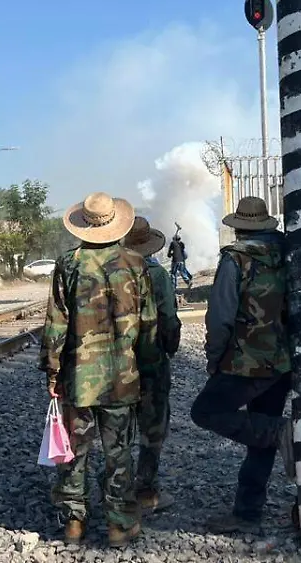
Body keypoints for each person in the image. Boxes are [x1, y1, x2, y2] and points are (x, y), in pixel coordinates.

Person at [39, 191, 161, 548]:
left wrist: (52, 372)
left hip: (78, 377)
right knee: (118, 451)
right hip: (123, 378)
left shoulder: (68, 264)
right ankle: (119, 525)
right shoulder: (136, 264)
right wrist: (150, 372)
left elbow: (55, 324)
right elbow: (149, 324)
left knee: (74, 450)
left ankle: (74, 523)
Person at [190, 196, 295, 535]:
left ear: (238, 228)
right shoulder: (289, 253)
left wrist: (214, 359)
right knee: (260, 430)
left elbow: (220, 317)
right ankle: (248, 512)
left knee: (205, 412)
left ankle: (280, 432)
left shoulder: (235, 259)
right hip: (282, 361)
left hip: (245, 362)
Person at [122, 217, 182, 513]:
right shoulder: (157, 275)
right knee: (153, 427)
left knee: (118, 428)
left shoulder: (111, 269)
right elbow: (169, 319)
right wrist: (169, 348)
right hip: (150, 360)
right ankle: (145, 490)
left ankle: (116, 490)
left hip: (114, 362)